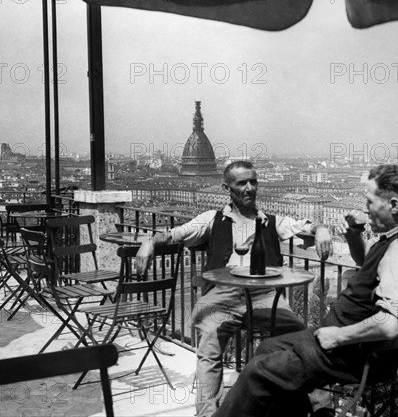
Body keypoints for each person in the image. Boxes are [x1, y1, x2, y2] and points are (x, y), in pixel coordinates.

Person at [213, 164, 398, 417]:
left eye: (370, 202)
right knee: (268, 349)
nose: (365, 209)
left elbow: (390, 325)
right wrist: (354, 234)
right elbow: (370, 268)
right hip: (351, 346)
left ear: (394, 205)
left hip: (353, 354)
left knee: (258, 372)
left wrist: (339, 337)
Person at [136, 160, 333, 417]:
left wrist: (321, 229)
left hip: (265, 296)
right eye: (242, 183)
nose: (250, 188)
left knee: (305, 342)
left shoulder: (272, 222)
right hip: (222, 295)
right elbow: (177, 234)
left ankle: (322, 409)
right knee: (209, 344)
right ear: (226, 188)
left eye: (253, 182)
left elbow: (303, 226)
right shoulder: (212, 219)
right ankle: (208, 414)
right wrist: (150, 241)